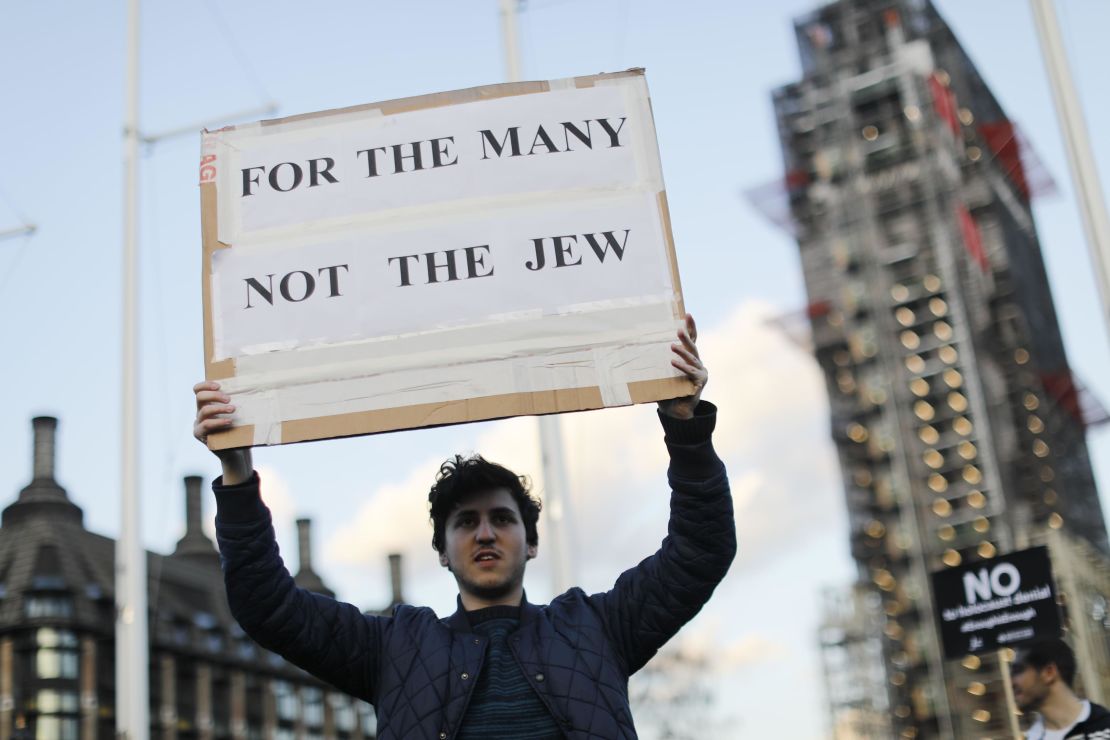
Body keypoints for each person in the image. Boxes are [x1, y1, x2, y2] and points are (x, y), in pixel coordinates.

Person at [193, 314, 735, 739]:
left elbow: (700, 549)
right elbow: (267, 605)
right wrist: (237, 475)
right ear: (443, 552)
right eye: (465, 522)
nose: (484, 533)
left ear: (531, 543)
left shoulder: (597, 628)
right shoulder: (394, 649)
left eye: (502, 519)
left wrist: (686, 426)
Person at [1011, 637, 1110, 739]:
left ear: (1049, 672)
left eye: (1018, 670)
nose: (1012, 682)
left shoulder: (1105, 729)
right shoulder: (1032, 737)